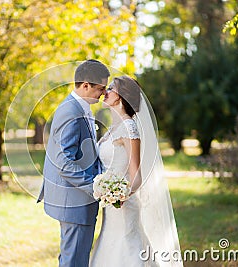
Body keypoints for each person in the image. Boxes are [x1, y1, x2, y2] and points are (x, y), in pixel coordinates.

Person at [90, 76, 183, 267]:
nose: (105, 91)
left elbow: (137, 176)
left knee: (127, 251)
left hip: (124, 205)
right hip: (110, 208)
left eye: (110, 88)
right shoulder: (113, 128)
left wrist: (119, 195)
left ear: (122, 96)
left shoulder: (129, 127)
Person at [37, 59, 110, 267]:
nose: (104, 93)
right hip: (75, 201)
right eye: (101, 88)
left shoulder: (79, 107)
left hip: (74, 200)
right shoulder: (71, 112)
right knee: (74, 261)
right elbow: (63, 162)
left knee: (72, 258)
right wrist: (95, 188)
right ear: (85, 85)